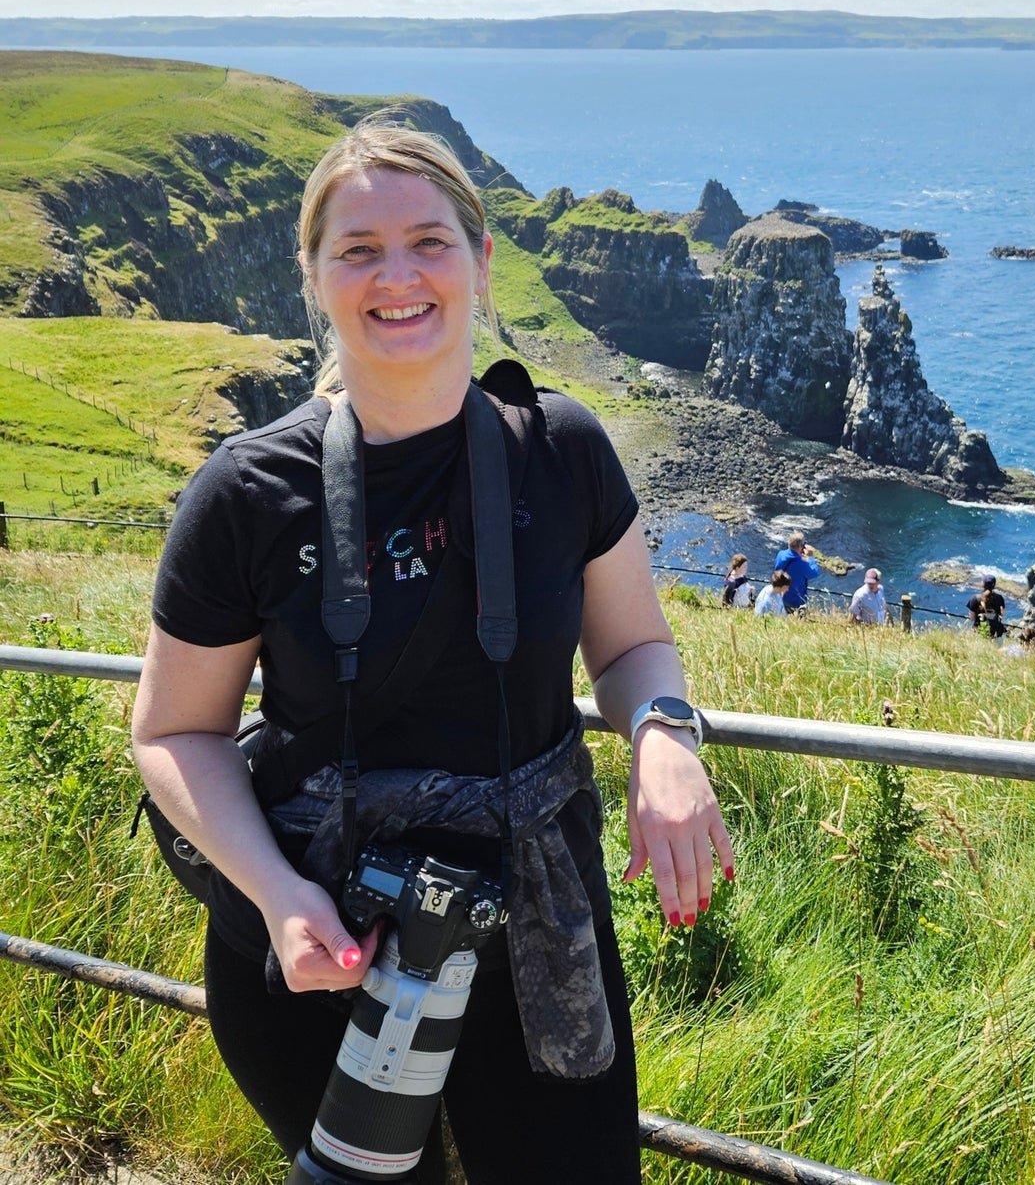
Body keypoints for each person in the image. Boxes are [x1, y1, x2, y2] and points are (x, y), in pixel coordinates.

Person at [130, 121, 734, 1185]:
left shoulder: (565, 449)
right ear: (314, 277)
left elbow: (635, 644)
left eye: (428, 242)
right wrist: (276, 895)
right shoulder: (248, 492)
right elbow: (176, 729)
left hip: (537, 939)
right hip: (323, 941)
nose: (396, 276)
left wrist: (664, 737)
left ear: (481, 260)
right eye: (357, 249)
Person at [772, 531, 821, 614]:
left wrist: (801, 556)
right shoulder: (800, 563)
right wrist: (811, 557)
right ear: (801, 546)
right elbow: (814, 573)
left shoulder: (781, 555)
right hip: (795, 601)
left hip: (780, 596)